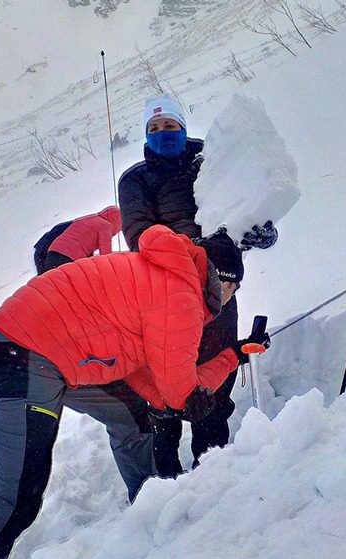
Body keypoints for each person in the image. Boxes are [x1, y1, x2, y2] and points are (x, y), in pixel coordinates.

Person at [0, 225, 269, 559]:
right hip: (26, 353)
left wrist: (233, 355)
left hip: (47, 352)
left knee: (130, 414)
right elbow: (180, 394)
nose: (230, 298)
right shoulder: (180, 295)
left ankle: (151, 509)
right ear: (223, 282)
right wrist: (197, 396)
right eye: (234, 289)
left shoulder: (165, 277)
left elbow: (159, 388)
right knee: (17, 497)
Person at [117, 93, 237, 477]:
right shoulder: (135, 180)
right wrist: (196, 253)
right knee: (167, 382)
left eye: (169, 125)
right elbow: (140, 235)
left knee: (216, 377)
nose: (162, 133)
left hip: (220, 288)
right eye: (154, 128)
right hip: (165, 294)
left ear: (183, 127)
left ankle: (213, 467)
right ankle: (166, 476)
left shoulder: (209, 159)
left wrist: (259, 228)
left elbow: (240, 203)